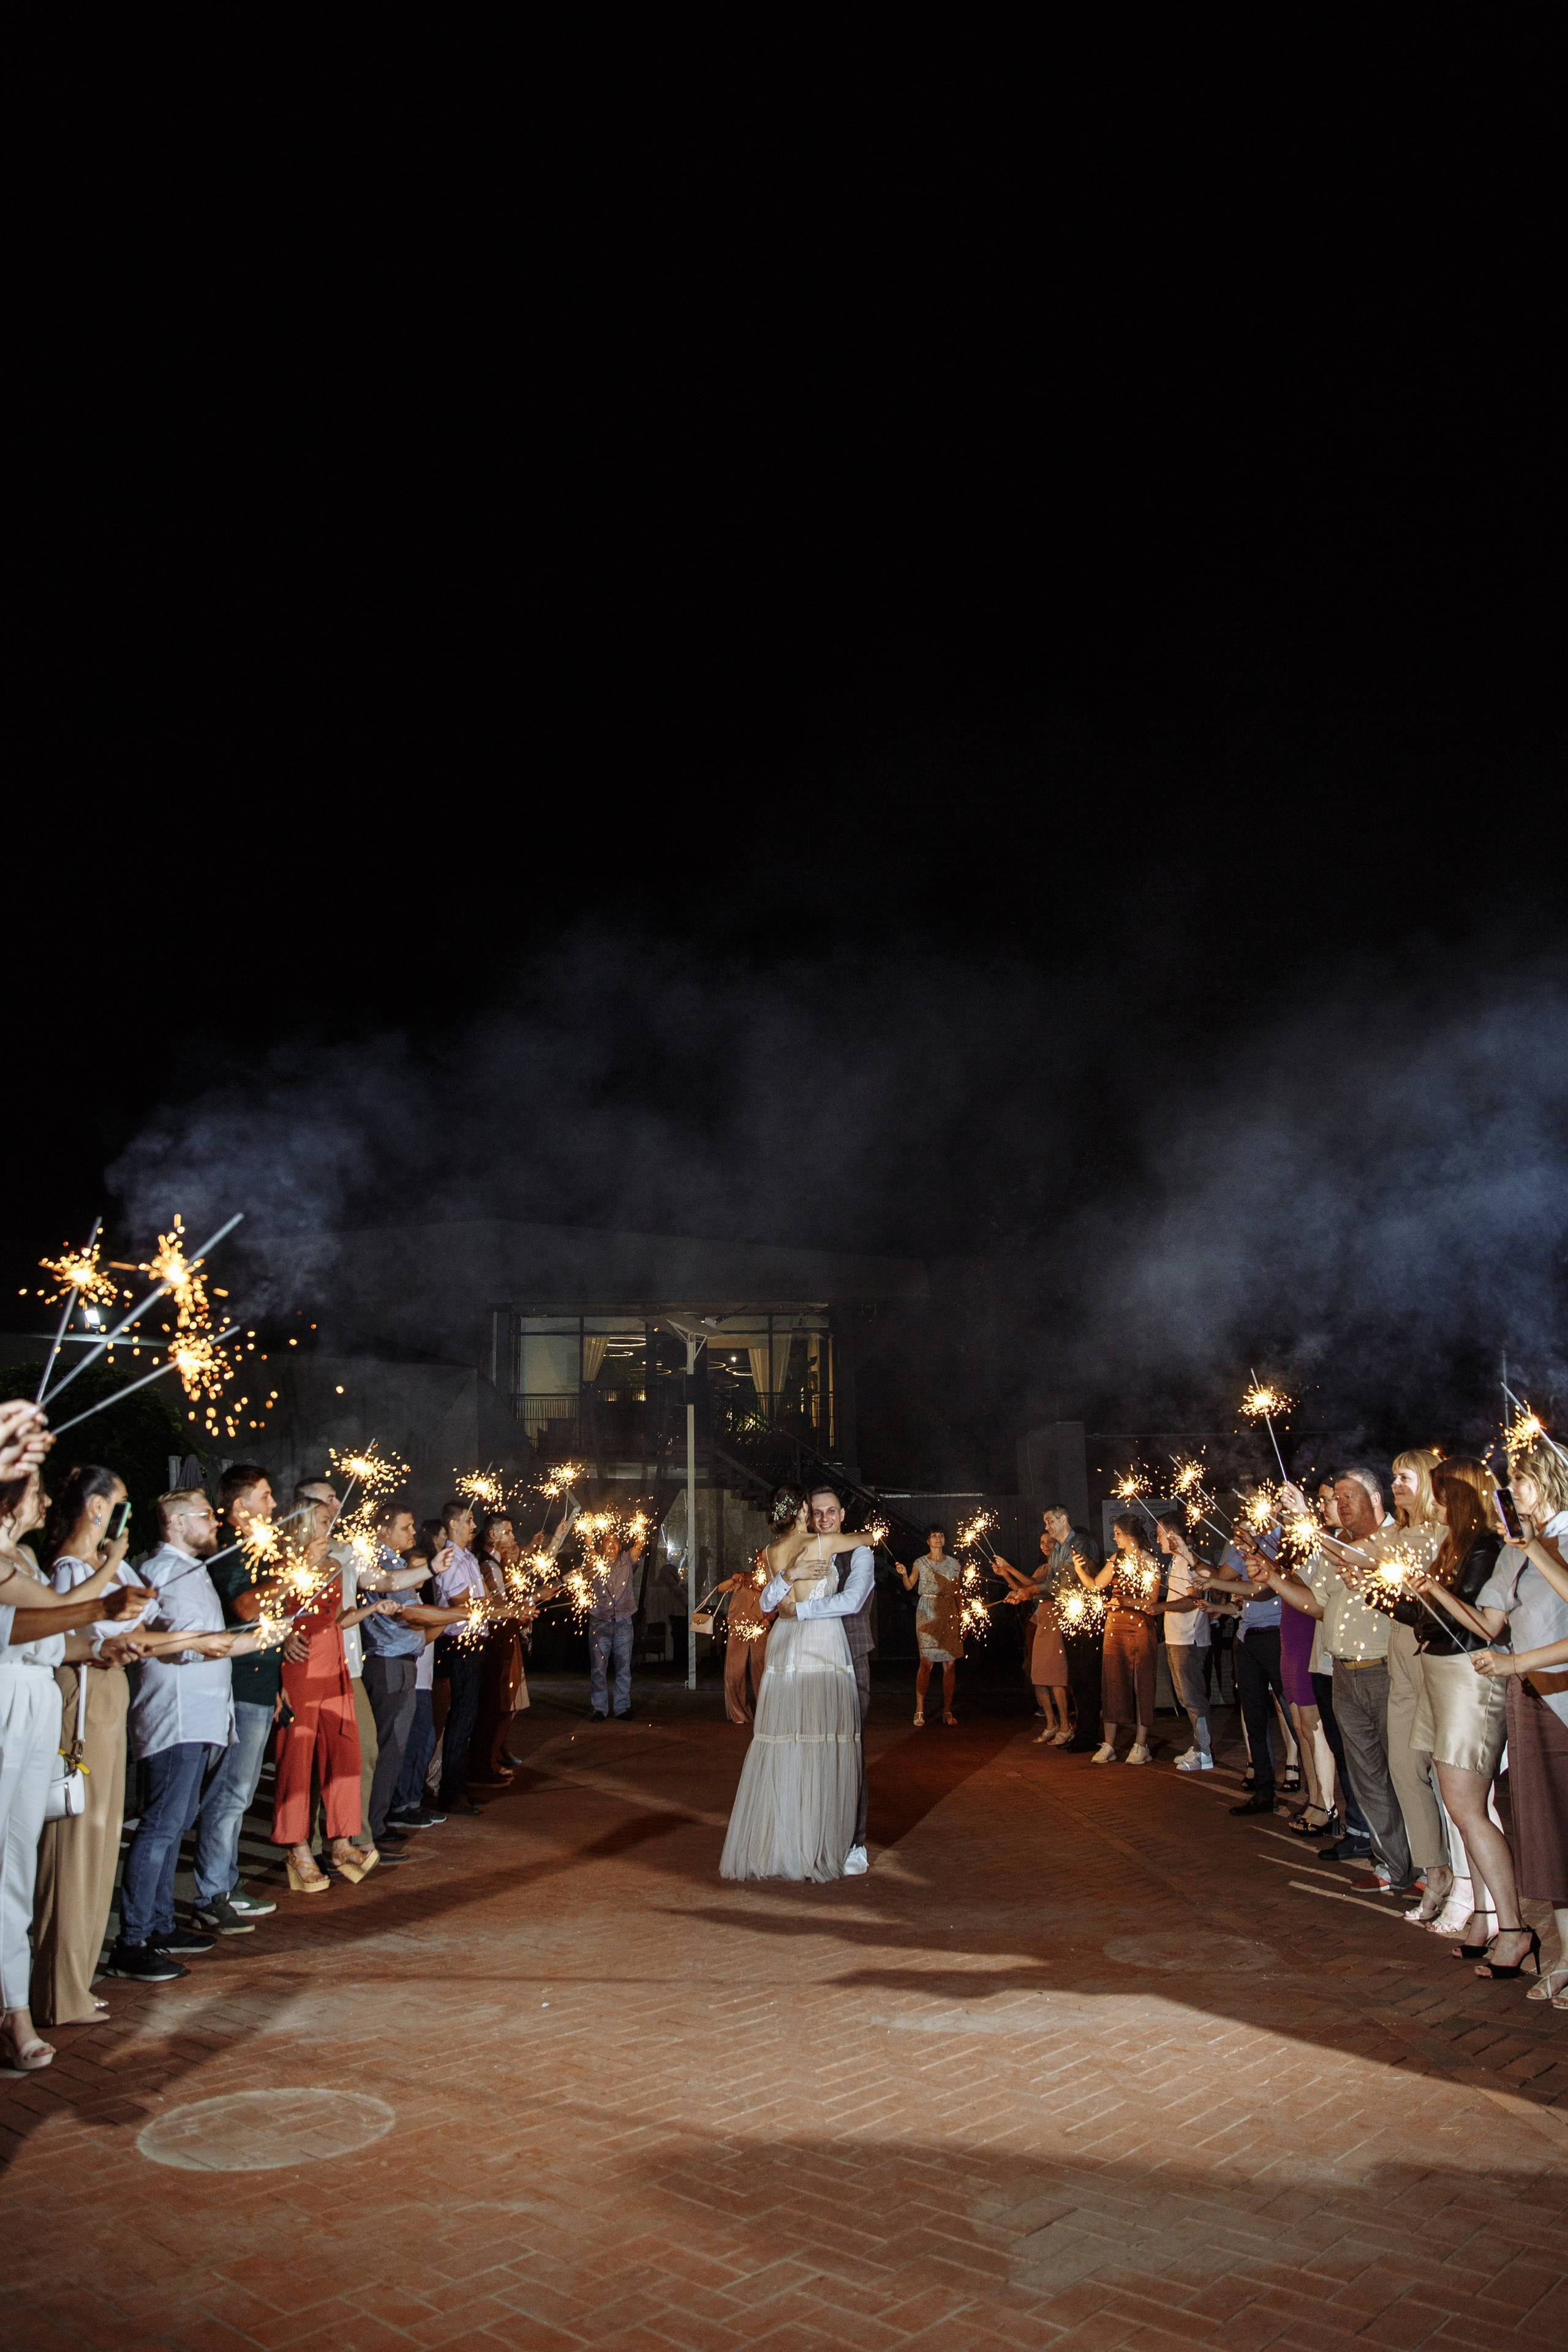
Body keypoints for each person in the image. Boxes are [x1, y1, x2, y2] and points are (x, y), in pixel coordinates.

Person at [2, 1471, 145, 2065]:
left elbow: (50, 1637)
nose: (45, 1500)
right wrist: (111, 1569)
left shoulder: (25, 1557)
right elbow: (49, 1615)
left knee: (18, 1857)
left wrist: (98, 1647)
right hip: (7, 1697)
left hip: (36, 1695)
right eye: (35, 1490)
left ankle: (15, 2009)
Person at [104, 1489, 266, 1984]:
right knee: (159, 1828)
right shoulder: (165, 1573)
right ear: (175, 1522)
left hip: (199, 1717)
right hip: (175, 1717)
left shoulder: (190, 1570)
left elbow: (205, 1643)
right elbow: (176, 1647)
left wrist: (261, 1638)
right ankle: (133, 1941)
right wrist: (242, 1643)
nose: (214, 1521)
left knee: (174, 1827)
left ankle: (158, 1925)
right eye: (205, 1515)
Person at [31, 1466, 157, 2025]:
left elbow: (143, 1610)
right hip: (81, 1705)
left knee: (102, 1844)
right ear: (97, 1507)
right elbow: (65, 1635)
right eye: (121, 1504)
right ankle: (56, 1989)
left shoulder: (109, 1562)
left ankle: (77, 1979)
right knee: (75, 1848)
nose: (127, 1515)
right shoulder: (66, 1568)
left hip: (109, 1699)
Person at [1404, 1459, 1537, 1985]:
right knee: (1458, 1805)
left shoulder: (1486, 1546)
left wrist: (1433, 1592)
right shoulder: (1452, 1546)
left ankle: (1514, 1927)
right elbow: (1432, 1620)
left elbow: (1482, 1626)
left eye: (1441, 1496)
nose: (1434, 1506)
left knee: (1468, 1807)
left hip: (1469, 1677)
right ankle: (1483, 1917)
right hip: (1440, 1671)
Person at [721, 1490, 870, 1881]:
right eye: (815, 1510)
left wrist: (788, 1580)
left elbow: (771, 1603)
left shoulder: (771, 1552)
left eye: (830, 1511)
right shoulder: (821, 1543)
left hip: (786, 1644)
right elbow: (868, 1539)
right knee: (820, 1739)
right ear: (804, 1512)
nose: (822, 1516)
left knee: (788, 1740)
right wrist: (866, 1536)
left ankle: (783, 1842)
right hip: (821, 1644)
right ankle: (814, 1844)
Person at [1469, 1438, 1568, 2009]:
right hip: (1529, 1699)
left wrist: (1516, 1663)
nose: (1511, 1492)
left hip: (1563, 1697)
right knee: (1549, 1832)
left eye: (1522, 1480)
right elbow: (1490, 1624)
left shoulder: (1554, 1539)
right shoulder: (1517, 1547)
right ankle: (1565, 1954)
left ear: (1549, 1479)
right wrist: (1426, 1592)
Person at [1286, 1469, 1418, 1886]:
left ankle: (1430, 1868)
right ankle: (1391, 1865)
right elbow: (1319, 1605)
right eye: (1336, 1497)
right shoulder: (1338, 1546)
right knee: (1366, 1777)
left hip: (1385, 1670)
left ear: (1377, 1499)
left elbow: (1371, 1567)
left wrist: (1305, 1524)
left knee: (1405, 1775)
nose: (1340, 1504)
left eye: (1349, 1496)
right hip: (1343, 1672)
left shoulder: (1397, 1539)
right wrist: (1271, 1577)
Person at [273, 1490, 396, 1890]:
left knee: (346, 1755)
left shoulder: (330, 1566)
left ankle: (341, 1840)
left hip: (336, 1668)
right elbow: (265, 1618)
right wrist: (283, 1640)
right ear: (304, 1526)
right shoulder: (280, 1567)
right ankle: (297, 1848)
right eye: (324, 1522)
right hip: (300, 1673)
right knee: (297, 1762)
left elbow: (335, 1621)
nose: (331, 1528)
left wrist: (371, 1609)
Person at [197, 1464, 295, 1926]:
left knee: (240, 1790)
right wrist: (291, 1578)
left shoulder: (259, 1550)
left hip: (260, 1684)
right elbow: (243, 1607)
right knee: (231, 1792)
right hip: (238, 1685)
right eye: (266, 1495)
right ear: (240, 1507)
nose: (273, 1505)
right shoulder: (231, 1550)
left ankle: (225, 1883)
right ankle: (214, 1891)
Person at [1381, 1448, 1455, 1922]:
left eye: (1405, 1477)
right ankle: (1435, 1868)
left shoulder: (1445, 1534)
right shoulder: (1393, 1535)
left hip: (1434, 1658)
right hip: (1399, 1660)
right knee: (1404, 1768)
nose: (1396, 1486)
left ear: (1428, 1481)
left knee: (1447, 1775)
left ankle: (1466, 1883)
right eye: (1393, 1478)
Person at [360, 1501, 447, 1844]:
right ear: (384, 1530)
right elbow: (411, 1614)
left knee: (392, 1745)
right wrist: (462, 1614)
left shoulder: (393, 1562)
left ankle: (376, 1821)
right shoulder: (382, 1562)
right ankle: (373, 1825)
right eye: (405, 1527)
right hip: (388, 1663)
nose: (413, 1533)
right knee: (389, 1745)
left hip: (399, 1662)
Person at [1079, 1512, 1160, 1763]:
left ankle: (1141, 1744)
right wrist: (1079, 1569)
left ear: (1128, 1534)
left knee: (1141, 1683)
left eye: (1116, 1533)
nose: (1113, 1537)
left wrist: (1125, 1601)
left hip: (1140, 1627)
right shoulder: (1116, 1559)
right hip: (1115, 1627)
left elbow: (1152, 1601)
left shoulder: (1150, 1562)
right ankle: (1109, 1744)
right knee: (1112, 1682)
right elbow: (1095, 1586)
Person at [431, 1499, 488, 1809]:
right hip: (460, 1642)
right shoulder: (450, 1559)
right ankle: (450, 1791)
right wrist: (500, 1608)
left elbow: (483, 1601)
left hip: (475, 1640)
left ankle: (456, 1783)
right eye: (468, 1521)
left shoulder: (468, 1558)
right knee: (461, 1716)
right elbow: (461, 1603)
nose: (473, 1526)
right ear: (453, 1524)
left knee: (468, 1716)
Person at [993, 1531, 1071, 1743]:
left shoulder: (1058, 1569)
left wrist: (1010, 1568)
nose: (1046, 1545)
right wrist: (1006, 1576)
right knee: (1037, 1675)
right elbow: (1026, 1589)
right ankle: (1051, 1723)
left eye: (1050, 1541)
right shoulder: (1043, 1568)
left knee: (1055, 1675)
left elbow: (1033, 1587)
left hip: (1056, 1621)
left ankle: (1065, 1725)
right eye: (1042, 1542)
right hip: (1042, 1622)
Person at [1154, 1517, 1213, 1771]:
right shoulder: (1176, 1562)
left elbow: (1193, 1600)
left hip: (1189, 1639)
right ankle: (1198, 1745)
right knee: (1184, 1697)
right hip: (1176, 1639)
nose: (1157, 1540)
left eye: (1159, 1534)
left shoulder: (1189, 1563)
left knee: (1193, 1698)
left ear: (1172, 1534)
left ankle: (1204, 1752)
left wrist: (1161, 1606)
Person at [895, 1525, 963, 1727]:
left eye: (941, 1536)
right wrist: (904, 1573)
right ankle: (919, 1708)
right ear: (928, 1541)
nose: (938, 1539)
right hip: (927, 1611)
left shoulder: (953, 1564)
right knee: (926, 1663)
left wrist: (961, 1615)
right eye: (934, 1536)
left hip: (948, 1610)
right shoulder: (921, 1562)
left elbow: (958, 1591)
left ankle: (947, 1710)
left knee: (950, 1664)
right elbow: (909, 1586)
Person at [587, 1523, 647, 1723]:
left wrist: (640, 1525)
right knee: (598, 1668)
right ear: (602, 1545)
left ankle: (622, 1708)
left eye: (615, 1541)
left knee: (623, 1667)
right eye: (607, 1541)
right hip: (600, 1621)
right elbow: (589, 1546)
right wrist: (588, 1527)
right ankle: (599, 1709)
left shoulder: (628, 1561)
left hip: (623, 1621)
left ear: (620, 1545)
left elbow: (639, 1544)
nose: (611, 1545)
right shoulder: (596, 1562)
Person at [716, 1555, 773, 1725]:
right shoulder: (744, 1577)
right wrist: (732, 1579)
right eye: (760, 1560)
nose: (762, 1563)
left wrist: (768, 1619)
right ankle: (739, 1714)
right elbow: (721, 1588)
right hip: (739, 1629)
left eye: (766, 1560)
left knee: (761, 1672)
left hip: (759, 1631)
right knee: (735, 1673)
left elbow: (776, 1607)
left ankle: (766, 1714)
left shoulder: (771, 1583)